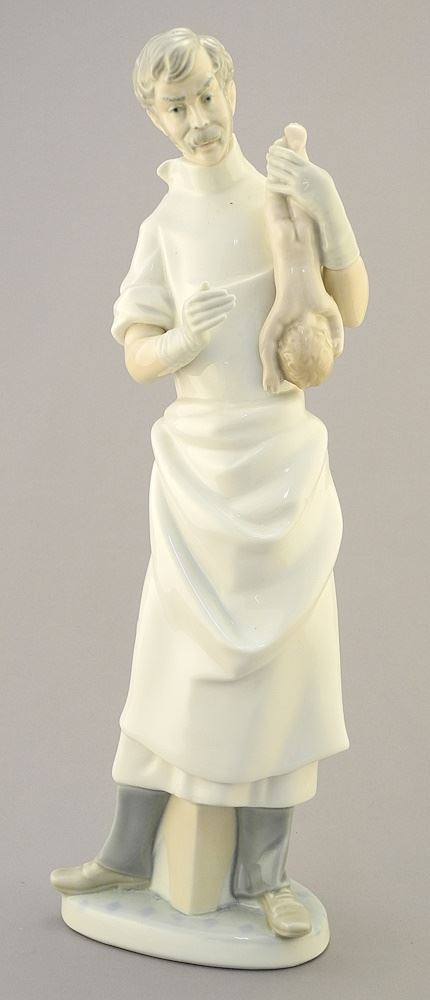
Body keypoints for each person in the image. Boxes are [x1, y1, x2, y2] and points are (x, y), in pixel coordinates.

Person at [51, 27, 369, 938]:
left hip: (279, 468)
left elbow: (348, 309)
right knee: (169, 669)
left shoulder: (282, 200)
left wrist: (330, 207)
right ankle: (126, 851)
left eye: (205, 96)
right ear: (155, 119)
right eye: (176, 108)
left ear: (231, 87)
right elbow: (136, 354)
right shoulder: (162, 228)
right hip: (199, 477)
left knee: (283, 679)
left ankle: (267, 875)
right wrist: (179, 343)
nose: (197, 120)